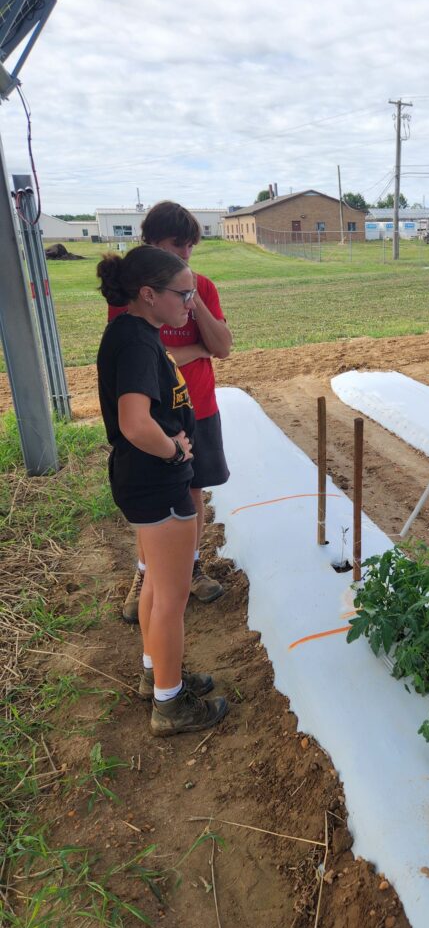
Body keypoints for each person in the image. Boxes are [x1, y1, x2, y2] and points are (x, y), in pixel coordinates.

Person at [97, 246, 229, 735]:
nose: (190, 303)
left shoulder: (135, 333)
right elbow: (134, 423)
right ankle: (171, 707)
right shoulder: (135, 343)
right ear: (148, 295)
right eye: (183, 293)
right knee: (172, 597)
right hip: (156, 482)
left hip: (145, 482)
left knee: (155, 583)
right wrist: (174, 452)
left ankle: (159, 677)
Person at [112, 202, 233, 623]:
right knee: (155, 503)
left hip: (198, 408)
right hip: (153, 418)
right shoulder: (134, 296)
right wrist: (194, 350)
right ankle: (145, 575)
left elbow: (222, 346)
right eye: (175, 245)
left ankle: (191, 563)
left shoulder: (201, 288)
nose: (185, 254)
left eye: (190, 247)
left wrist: (194, 301)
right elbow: (147, 357)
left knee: (194, 491)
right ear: (152, 245)